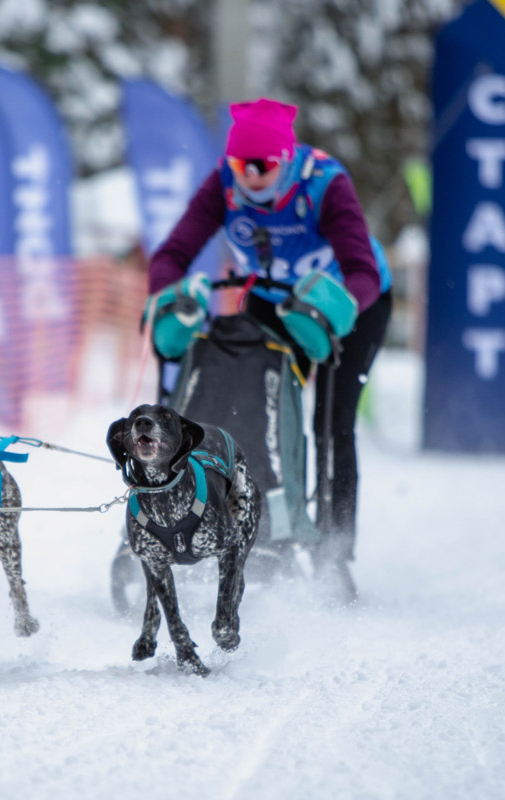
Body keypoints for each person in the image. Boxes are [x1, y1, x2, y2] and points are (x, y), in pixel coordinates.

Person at [146, 97, 391, 603]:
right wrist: (172, 296)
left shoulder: (325, 184)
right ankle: (256, 528)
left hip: (348, 302)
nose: (250, 176)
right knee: (246, 407)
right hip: (272, 298)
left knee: (332, 420)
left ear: (286, 158)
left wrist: (337, 311)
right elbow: (171, 255)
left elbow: (363, 270)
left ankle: (334, 552)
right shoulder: (225, 183)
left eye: (262, 166)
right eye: (240, 165)